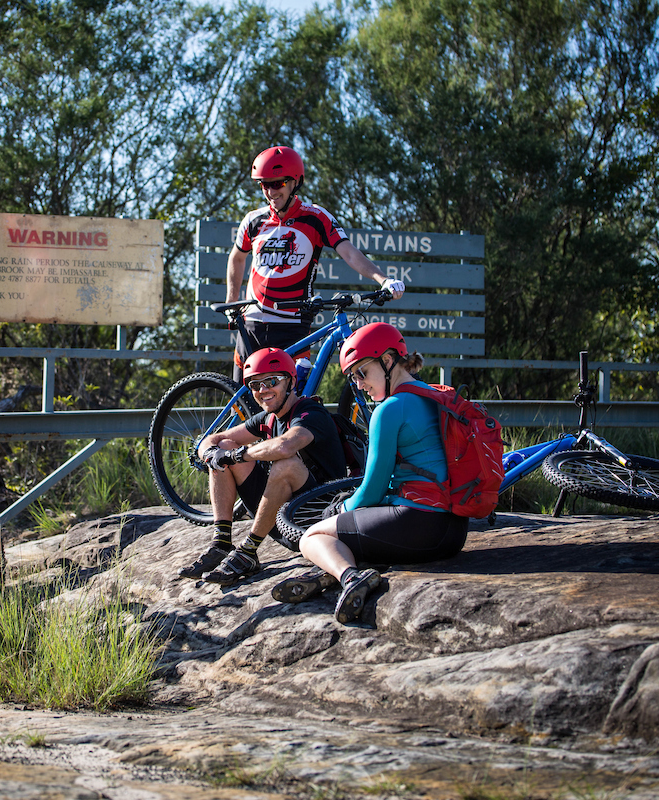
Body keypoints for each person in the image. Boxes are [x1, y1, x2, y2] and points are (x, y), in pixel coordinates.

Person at [271, 323, 469, 623]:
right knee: (355, 531)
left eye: (361, 373)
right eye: (353, 378)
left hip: (421, 524)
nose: (359, 385)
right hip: (455, 529)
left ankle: (348, 578)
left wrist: (339, 510)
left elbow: (373, 490)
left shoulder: (390, 410)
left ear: (387, 361)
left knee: (312, 537)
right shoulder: (433, 394)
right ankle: (332, 573)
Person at [226, 145, 406, 381]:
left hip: (293, 325)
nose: (270, 192)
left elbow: (350, 253)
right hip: (253, 324)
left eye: (277, 183)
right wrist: (232, 301)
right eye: (264, 184)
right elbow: (237, 257)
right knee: (242, 405)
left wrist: (384, 280)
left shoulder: (316, 217)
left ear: (295, 182)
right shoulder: (253, 220)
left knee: (293, 402)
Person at [181, 347, 348, 586]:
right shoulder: (268, 418)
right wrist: (210, 453)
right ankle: (221, 543)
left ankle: (248, 552)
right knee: (225, 446)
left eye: (271, 381)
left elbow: (285, 446)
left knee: (285, 464)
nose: (263, 390)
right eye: (255, 385)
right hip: (280, 521)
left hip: (316, 523)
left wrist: (235, 456)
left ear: (290, 381)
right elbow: (214, 439)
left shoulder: (310, 412)